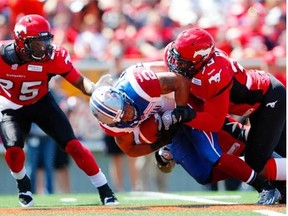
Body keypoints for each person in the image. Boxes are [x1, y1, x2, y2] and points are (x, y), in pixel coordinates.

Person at [89, 64, 282, 205]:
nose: (129, 116)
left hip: (185, 102)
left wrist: (180, 111)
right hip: (170, 125)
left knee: (212, 154)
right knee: (203, 173)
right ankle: (269, 166)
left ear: (122, 96)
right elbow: (130, 149)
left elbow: (180, 81)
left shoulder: (139, 86)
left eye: (127, 110)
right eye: (122, 118)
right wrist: (159, 143)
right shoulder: (115, 127)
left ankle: (265, 187)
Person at [0, 14, 119, 207]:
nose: (44, 47)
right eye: (37, 43)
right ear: (21, 42)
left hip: (41, 102)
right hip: (10, 105)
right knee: (13, 150)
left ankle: (105, 190)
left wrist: (94, 89)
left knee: (73, 145)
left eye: (46, 41)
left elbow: (80, 82)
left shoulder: (53, 57)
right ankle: (23, 183)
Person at [160, 27, 286, 203]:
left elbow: (214, 122)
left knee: (255, 162)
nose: (175, 64)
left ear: (201, 60)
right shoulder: (178, 56)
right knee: (278, 157)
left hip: (269, 99)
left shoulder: (214, 72)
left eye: (182, 62)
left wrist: (188, 115)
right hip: (248, 106)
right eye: (176, 57)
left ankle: (275, 189)